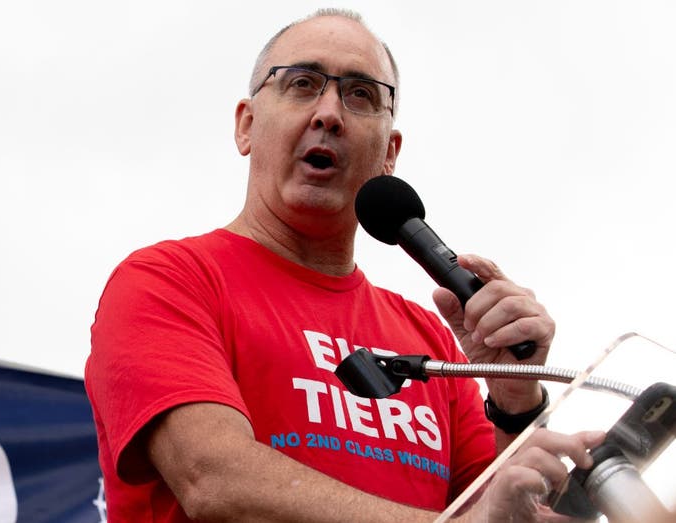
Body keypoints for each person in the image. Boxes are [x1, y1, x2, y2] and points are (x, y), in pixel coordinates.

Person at [85, 8, 602, 522]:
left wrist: (515, 401)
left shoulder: (430, 339)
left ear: (390, 154)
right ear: (246, 126)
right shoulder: (165, 281)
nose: (329, 113)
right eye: (302, 83)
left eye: (360, 94)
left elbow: (500, 510)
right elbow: (216, 482)